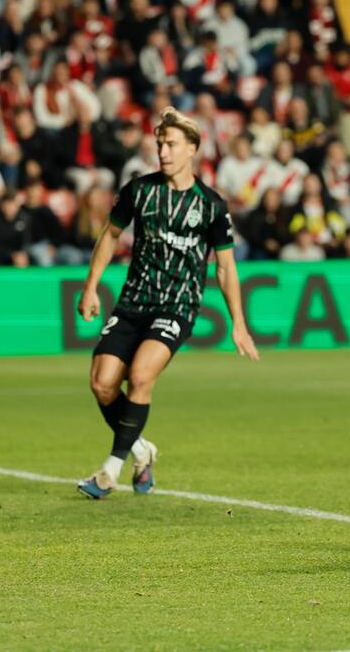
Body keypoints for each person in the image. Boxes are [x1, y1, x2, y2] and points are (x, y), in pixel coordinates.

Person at [75, 107, 259, 499]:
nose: (163, 152)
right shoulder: (140, 191)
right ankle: (142, 449)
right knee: (102, 383)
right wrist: (91, 286)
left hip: (177, 305)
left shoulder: (211, 205)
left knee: (140, 378)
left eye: (172, 144)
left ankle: (109, 471)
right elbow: (110, 236)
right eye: (160, 144)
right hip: (133, 301)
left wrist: (238, 323)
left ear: (193, 148)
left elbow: (225, 268)